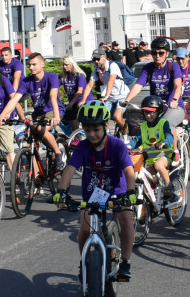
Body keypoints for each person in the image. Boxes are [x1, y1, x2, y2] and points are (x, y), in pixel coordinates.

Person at [53, 101, 138, 282]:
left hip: (117, 191)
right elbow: (69, 169)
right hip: (93, 193)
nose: (91, 134)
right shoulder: (83, 147)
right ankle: (85, 261)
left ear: (106, 126)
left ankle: (125, 262)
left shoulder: (117, 145)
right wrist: (61, 191)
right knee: (84, 229)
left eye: (96, 130)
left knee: (126, 219)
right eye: (87, 129)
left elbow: (129, 170)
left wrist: (131, 192)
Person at [0, 52, 65, 167]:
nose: (31, 67)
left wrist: (56, 116)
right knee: (30, 143)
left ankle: (59, 153)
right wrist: (2, 115)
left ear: (42, 64)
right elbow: (14, 100)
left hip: (52, 110)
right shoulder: (26, 81)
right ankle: (37, 178)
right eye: (29, 65)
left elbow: (53, 96)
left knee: (41, 129)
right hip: (38, 113)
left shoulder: (51, 77)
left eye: (34, 64)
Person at [122, 37, 185, 128]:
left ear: (167, 53)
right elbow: (138, 85)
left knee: (165, 126)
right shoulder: (148, 68)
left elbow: (177, 86)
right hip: (155, 108)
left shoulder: (173, 66)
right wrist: (127, 100)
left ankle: (172, 142)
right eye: (154, 53)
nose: (157, 56)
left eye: (161, 53)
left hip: (174, 107)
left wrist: (174, 100)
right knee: (145, 129)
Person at [129, 95, 176, 200]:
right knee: (144, 179)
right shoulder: (143, 126)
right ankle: (149, 203)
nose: (149, 115)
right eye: (146, 112)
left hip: (164, 155)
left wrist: (164, 143)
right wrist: (127, 146)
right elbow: (137, 140)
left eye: (152, 112)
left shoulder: (163, 123)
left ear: (158, 111)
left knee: (159, 165)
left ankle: (168, 187)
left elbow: (169, 136)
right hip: (150, 158)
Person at [91, 48, 131, 135]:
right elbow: (89, 85)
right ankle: (108, 137)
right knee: (101, 117)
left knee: (117, 116)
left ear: (104, 57)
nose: (96, 61)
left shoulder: (112, 65)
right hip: (110, 97)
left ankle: (126, 135)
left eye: (98, 59)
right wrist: (83, 100)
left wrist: (106, 97)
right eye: (94, 59)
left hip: (122, 96)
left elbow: (111, 81)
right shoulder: (96, 70)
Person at [59, 56, 92, 131]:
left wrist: (71, 103)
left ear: (72, 64)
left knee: (72, 116)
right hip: (73, 102)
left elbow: (79, 91)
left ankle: (77, 136)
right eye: (63, 65)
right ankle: (75, 135)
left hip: (83, 100)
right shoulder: (63, 76)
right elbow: (54, 86)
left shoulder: (79, 75)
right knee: (67, 116)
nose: (64, 67)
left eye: (66, 65)